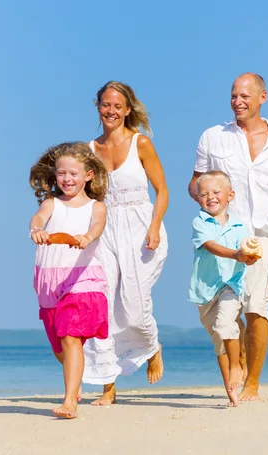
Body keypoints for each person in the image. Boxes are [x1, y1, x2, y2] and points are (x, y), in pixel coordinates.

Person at [188, 73, 268, 401]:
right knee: (221, 309)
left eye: (245, 96)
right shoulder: (213, 137)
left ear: (262, 97)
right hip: (227, 233)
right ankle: (236, 360)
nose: (238, 102)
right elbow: (195, 183)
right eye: (234, 96)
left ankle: (252, 382)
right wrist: (209, 200)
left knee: (256, 304)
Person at [82, 81, 169, 405]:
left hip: (142, 229)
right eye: (106, 105)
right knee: (102, 305)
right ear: (98, 106)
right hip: (104, 232)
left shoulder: (140, 143)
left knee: (133, 305)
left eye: (118, 106)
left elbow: (162, 191)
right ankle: (108, 387)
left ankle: (151, 346)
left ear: (128, 109)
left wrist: (155, 226)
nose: (111, 111)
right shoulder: (88, 150)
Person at [29, 141, 109, 419]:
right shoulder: (51, 204)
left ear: (88, 175)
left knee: (71, 336)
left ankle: (69, 403)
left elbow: (97, 226)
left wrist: (88, 237)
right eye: (62, 173)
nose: (67, 179)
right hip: (49, 280)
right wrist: (37, 230)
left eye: (73, 173)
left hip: (82, 278)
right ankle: (74, 384)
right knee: (60, 345)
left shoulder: (96, 207)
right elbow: (38, 217)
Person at [188, 170, 256, 406]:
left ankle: (237, 365)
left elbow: (247, 250)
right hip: (205, 291)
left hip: (231, 285)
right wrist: (238, 254)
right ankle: (231, 390)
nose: (210, 197)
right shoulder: (200, 222)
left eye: (216, 192)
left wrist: (248, 256)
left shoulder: (240, 226)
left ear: (230, 195)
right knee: (218, 338)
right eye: (204, 194)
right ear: (198, 198)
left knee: (224, 324)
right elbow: (211, 246)